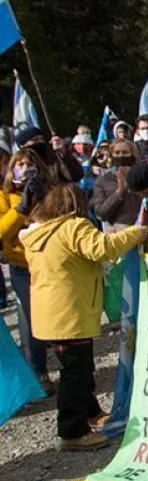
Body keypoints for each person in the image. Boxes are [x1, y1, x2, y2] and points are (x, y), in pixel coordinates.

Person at [22, 183, 148, 451]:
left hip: (50, 315)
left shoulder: (38, 234)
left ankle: (90, 412)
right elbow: (101, 249)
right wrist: (136, 233)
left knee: (77, 367)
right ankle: (73, 431)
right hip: (71, 313)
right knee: (75, 374)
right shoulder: (72, 227)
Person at [1, 150, 52, 393]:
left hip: (50, 262)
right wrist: (21, 208)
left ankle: (71, 365)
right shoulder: (3, 196)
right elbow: (2, 232)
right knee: (33, 320)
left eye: (29, 163)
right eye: (19, 164)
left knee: (58, 314)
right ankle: (39, 370)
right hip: (22, 267)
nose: (24, 167)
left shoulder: (49, 191)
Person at [14, 126, 84, 186]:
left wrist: (64, 153)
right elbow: (17, 183)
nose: (40, 142)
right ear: (23, 145)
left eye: (41, 139)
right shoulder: (18, 163)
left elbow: (75, 176)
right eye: (35, 140)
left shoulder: (55, 158)